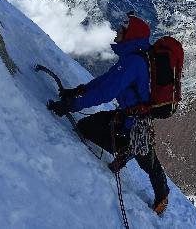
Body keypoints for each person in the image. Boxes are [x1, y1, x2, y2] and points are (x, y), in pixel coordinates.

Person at [48, 12, 169, 215]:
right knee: (147, 160)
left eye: (122, 30)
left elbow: (105, 91)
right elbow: (105, 81)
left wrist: (71, 105)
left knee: (148, 162)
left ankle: (162, 198)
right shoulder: (135, 57)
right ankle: (128, 150)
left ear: (131, 35)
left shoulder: (132, 62)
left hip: (134, 126)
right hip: (133, 120)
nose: (117, 32)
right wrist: (78, 91)